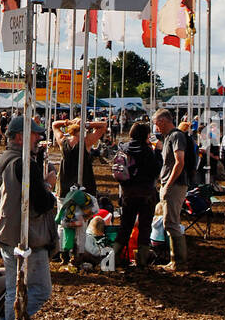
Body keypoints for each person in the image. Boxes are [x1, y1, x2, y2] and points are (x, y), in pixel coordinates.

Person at [0, 115, 57, 320]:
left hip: (5, 230)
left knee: (11, 287)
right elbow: (40, 202)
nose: (38, 137)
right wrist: (49, 187)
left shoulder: (2, 161)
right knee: (41, 289)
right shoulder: (26, 165)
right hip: (26, 234)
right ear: (20, 137)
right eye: (34, 134)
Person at [113, 120, 161, 269]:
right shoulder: (148, 151)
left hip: (128, 192)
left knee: (125, 226)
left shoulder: (123, 148)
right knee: (145, 227)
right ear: (146, 135)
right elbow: (156, 170)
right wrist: (158, 151)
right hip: (146, 193)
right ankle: (141, 259)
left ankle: (113, 257)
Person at [152, 109, 193, 272]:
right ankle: (175, 260)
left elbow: (179, 162)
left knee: (171, 222)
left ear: (163, 121)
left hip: (174, 185)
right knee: (169, 222)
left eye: (156, 124)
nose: (156, 128)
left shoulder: (176, 136)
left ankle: (179, 261)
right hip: (170, 183)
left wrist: (168, 183)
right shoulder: (169, 137)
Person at [52, 117, 105, 199]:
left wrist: (68, 122)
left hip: (65, 184)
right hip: (85, 184)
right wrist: (86, 124)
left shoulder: (63, 141)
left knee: (65, 209)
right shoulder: (87, 141)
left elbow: (54, 125)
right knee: (85, 210)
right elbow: (103, 125)